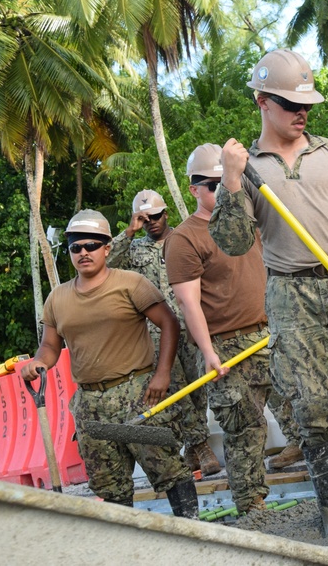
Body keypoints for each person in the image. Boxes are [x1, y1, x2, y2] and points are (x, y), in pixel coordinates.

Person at [209, 48, 328, 536]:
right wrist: (230, 180)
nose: (301, 112)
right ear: (261, 102)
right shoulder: (248, 170)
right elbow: (233, 243)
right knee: (312, 408)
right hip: (291, 293)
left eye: (306, 104)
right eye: (289, 103)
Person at [20, 210, 198, 518]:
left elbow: (169, 323)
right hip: (90, 405)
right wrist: (38, 363)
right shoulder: (57, 298)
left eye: (92, 245)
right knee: (108, 484)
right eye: (76, 247)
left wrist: (163, 373)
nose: (84, 252)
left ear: (107, 248)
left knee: (168, 468)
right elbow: (50, 345)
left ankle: (197, 534)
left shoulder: (131, 284)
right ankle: (125, 548)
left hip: (139, 400)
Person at [165, 143, 272, 513]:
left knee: (309, 404)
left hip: (270, 333)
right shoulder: (185, 238)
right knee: (244, 428)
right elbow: (188, 302)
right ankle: (251, 505)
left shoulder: (249, 221)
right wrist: (209, 354)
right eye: (211, 185)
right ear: (194, 189)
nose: (220, 189)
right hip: (227, 346)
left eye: (225, 182)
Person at [109, 190, 220, 476]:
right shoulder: (134, 250)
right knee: (177, 389)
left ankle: (193, 450)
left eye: (156, 216)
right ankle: (201, 444)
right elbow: (107, 266)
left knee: (199, 388)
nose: (152, 222)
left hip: (193, 323)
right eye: (145, 219)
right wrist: (129, 232)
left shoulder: (183, 240)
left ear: (166, 214)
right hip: (159, 332)